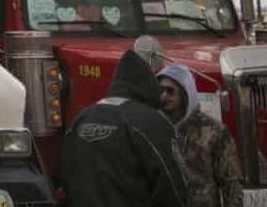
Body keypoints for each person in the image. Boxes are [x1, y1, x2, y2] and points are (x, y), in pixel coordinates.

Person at [60, 49, 188, 207]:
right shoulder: (151, 122)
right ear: (148, 86)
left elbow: (64, 177)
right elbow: (172, 184)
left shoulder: (81, 119)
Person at [158, 63, 243, 207]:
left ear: (185, 93)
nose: (164, 95)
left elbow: (231, 182)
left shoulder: (213, 130)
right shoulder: (154, 128)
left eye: (170, 91)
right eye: (160, 90)